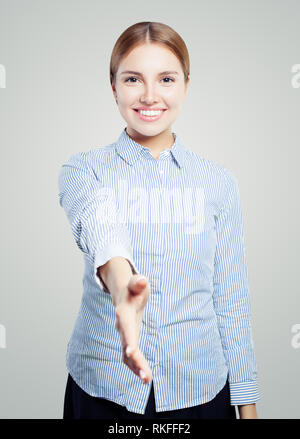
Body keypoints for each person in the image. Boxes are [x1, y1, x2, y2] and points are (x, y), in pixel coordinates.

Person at [58, 21, 260, 419]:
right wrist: (122, 286)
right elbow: (101, 226)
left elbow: (231, 301)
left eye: (166, 78)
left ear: (185, 84)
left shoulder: (218, 183)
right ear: (113, 86)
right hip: (102, 391)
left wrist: (247, 405)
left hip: (200, 392)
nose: (150, 95)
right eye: (133, 79)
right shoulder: (83, 170)